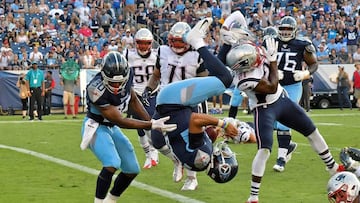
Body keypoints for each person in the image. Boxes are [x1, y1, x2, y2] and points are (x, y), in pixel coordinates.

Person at [210, 23, 341, 202]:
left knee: (312, 130)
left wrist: (231, 34)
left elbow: (247, 42)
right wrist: (272, 61)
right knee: (264, 149)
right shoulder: (243, 79)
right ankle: (253, 196)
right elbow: (271, 87)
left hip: (282, 101)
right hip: (264, 109)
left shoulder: (251, 53)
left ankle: (333, 168)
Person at [151, 18, 239, 185]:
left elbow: (195, 121)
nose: (226, 154)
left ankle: (197, 41)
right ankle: (226, 43)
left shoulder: (202, 157)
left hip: (174, 99)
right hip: (175, 105)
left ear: (220, 166)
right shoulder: (199, 160)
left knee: (225, 79)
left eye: (226, 158)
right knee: (219, 79)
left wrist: (224, 124)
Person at [80, 51, 177, 203]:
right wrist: (151, 124)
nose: (117, 86)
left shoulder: (129, 74)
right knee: (112, 163)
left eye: (120, 82)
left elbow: (132, 99)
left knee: (132, 169)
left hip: (111, 127)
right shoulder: (95, 89)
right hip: (96, 126)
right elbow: (121, 121)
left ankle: (110, 200)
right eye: (113, 83)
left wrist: (149, 120)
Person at [142, 21, 209, 191]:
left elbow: (205, 80)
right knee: (155, 138)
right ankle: (176, 160)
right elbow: (156, 75)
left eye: (180, 41)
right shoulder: (163, 51)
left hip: (187, 103)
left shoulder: (197, 54)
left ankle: (192, 178)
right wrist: (148, 89)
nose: (176, 45)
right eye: (174, 41)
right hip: (165, 102)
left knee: (187, 142)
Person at [270, 16, 319, 172]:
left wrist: (305, 74)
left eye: (288, 29)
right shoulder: (270, 43)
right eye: (282, 29)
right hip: (273, 86)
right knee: (271, 121)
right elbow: (261, 61)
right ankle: (288, 145)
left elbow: (314, 64)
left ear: (294, 30)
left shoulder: (301, 45)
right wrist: (272, 71)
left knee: (284, 120)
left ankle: (281, 158)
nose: (285, 32)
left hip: (292, 85)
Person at [125, 28, 159, 169]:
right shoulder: (128, 55)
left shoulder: (158, 55)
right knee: (139, 128)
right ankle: (148, 155)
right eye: (140, 43)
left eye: (146, 43)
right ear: (135, 43)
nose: (143, 46)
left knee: (149, 122)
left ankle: (154, 151)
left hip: (152, 93)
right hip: (135, 95)